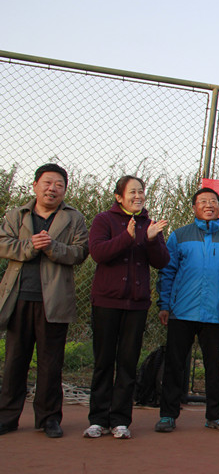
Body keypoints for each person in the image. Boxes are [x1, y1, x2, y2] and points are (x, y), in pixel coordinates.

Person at [0, 163, 89, 438]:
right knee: (15, 361)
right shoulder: (16, 215)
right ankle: (7, 417)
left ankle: (49, 419)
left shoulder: (74, 218)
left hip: (54, 301)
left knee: (51, 364)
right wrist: (30, 245)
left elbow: (80, 252)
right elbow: (3, 243)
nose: (52, 189)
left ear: (65, 190)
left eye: (59, 185)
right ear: (35, 186)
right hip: (19, 298)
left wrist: (52, 247)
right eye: (47, 183)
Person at [154, 187, 219, 433]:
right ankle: (168, 415)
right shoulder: (179, 236)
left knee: (215, 367)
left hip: (215, 314)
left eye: (213, 201)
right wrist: (164, 305)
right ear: (194, 207)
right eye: (203, 201)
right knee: (174, 365)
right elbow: (167, 272)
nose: (208, 205)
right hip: (181, 312)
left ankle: (215, 415)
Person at [84, 175, 169, 439]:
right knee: (103, 361)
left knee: (128, 362)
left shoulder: (150, 225)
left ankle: (121, 420)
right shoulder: (103, 220)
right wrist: (127, 237)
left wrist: (151, 240)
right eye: (132, 192)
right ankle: (98, 419)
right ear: (119, 196)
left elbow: (162, 261)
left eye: (141, 191)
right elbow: (98, 253)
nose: (138, 196)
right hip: (106, 302)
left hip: (137, 305)